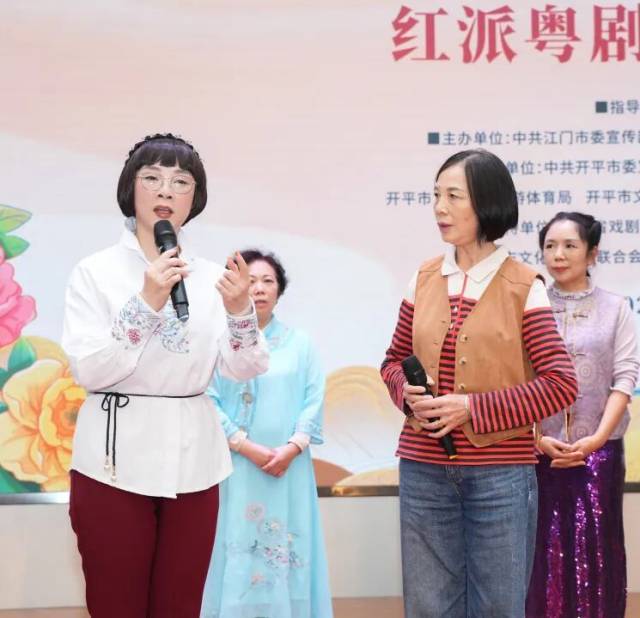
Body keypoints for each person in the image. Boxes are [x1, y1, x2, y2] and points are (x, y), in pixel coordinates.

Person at [61, 133, 269, 618]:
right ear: (129, 188)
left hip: (194, 461)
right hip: (113, 461)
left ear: (195, 198)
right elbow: (90, 368)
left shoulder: (212, 276)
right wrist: (146, 302)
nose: (165, 191)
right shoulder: (95, 272)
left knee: (180, 605)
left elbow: (245, 368)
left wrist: (240, 311)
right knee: (116, 603)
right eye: (151, 177)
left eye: (181, 182)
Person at [380, 149, 578, 618]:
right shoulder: (423, 279)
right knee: (428, 607)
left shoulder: (524, 285)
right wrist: (407, 394)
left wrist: (471, 409)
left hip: (500, 475)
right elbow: (392, 362)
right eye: (435, 196)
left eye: (454, 196)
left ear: (487, 202)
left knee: (498, 607)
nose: (440, 208)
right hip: (423, 469)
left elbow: (560, 383)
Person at [201, 249, 333, 618]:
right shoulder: (215, 342)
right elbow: (207, 399)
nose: (258, 288)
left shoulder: (301, 344)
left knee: (291, 544)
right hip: (235, 465)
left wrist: (293, 447)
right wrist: (243, 445)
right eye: (250, 281)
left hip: (288, 467)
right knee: (234, 542)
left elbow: (314, 398)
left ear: (279, 290)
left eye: (267, 281)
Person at [526, 211, 640, 618]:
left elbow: (625, 378)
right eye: (550, 246)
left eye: (570, 245)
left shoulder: (616, 307)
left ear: (592, 253)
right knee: (541, 550)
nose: (558, 255)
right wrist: (537, 438)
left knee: (597, 550)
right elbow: (516, 377)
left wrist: (596, 440)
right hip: (538, 453)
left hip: (599, 453)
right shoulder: (529, 305)